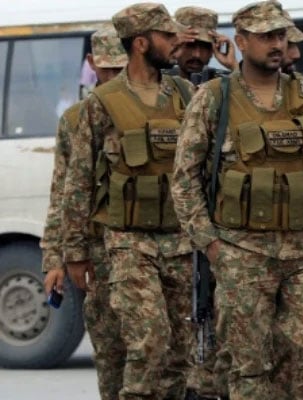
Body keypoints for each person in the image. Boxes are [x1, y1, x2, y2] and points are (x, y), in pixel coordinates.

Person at [170, 1, 303, 398]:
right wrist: (211, 243)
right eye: (266, 36)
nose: (276, 43)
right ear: (241, 41)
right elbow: (184, 180)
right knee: (249, 366)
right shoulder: (213, 98)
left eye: (281, 35)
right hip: (242, 250)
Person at [61, 3, 196, 399]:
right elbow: (79, 181)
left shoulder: (186, 95)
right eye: (167, 36)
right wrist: (74, 252)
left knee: (179, 352)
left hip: (181, 242)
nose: (177, 43)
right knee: (149, 341)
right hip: (127, 243)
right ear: (141, 43)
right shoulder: (102, 103)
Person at [41, 26, 127, 400]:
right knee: (109, 351)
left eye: (120, 70)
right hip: (97, 251)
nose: (112, 78)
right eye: (106, 70)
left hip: (148, 244)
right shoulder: (75, 120)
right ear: (92, 65)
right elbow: (62, 191)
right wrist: (54, 259)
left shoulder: (152, 111)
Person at [173, 6, 237, 81]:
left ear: (212, 50)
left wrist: (233, 65)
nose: (197, 55)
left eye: (205, 47)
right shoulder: (160, 78)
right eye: (190, 45)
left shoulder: (222, 82)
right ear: (176, 44)